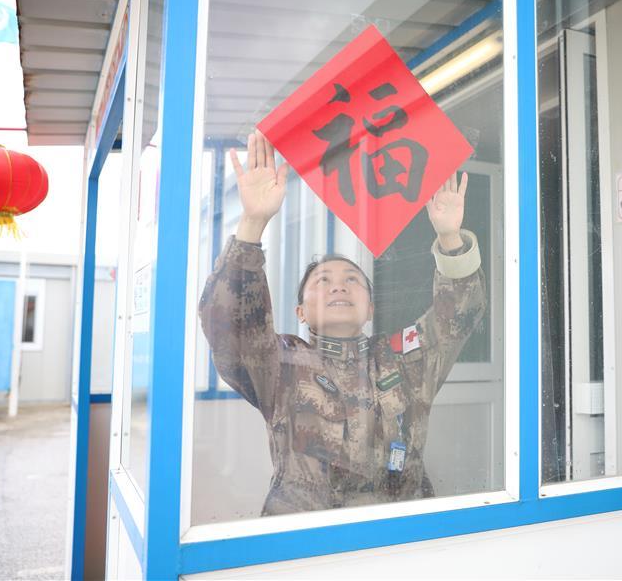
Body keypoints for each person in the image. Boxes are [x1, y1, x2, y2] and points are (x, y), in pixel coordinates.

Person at [199, 131, 486, 516]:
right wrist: (252, 223)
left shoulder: (403, 360)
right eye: (323, 281)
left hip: (406, 535)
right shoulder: (278, 364)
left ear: (369, 309)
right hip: (307, 541)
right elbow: (228, 325)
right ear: (301, 312)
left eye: (352, 279)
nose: (339, 286)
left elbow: (459, 316)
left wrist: (450, 237)